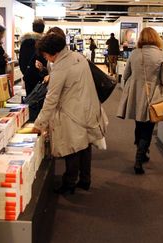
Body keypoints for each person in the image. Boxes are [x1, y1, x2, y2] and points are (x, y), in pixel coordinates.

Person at [33, 33, 106, 194]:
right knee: (85, 145)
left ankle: (69, 184)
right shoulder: (77, 57)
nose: (47, 58)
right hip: (87, 106)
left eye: (46, 55)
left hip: (72, 112)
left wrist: (39, 124)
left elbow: (51, 99)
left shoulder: (61, 67)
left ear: (53, 52)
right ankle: (85, 179)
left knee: (72, 147)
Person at [116, 27, 163, 175]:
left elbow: (126, 74)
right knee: (148, 126)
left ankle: (141, 149)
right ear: (156, 38)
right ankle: (139, 158)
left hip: (136, 94)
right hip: (153, 95)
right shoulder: (161, 55)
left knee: (139, 123)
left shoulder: (134, 53)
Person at [19, 19, 47, 95]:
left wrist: (25, 72)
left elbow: (21, 59)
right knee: (40, 98)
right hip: (40, 75)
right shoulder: (44, 42)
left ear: (33, 27)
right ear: (43, 28)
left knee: (29, 97)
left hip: (28, 74)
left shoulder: (25, 41)